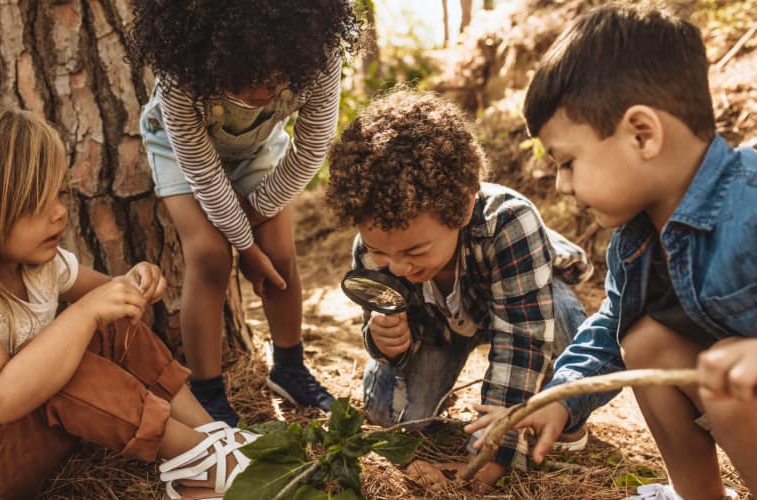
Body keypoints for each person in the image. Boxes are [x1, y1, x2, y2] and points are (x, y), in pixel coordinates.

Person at [467, 5, 756, 499]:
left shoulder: (748, 199)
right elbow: (608, 332)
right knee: (643, 342)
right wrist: (560, 399)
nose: (560, 184)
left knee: (728, 373)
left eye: (569, 162)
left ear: (641, 134)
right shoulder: (634, 240)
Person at [0, 96, 257, 500]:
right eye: (34, 205)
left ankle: (211, 436)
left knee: (107, 331)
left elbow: (110, 296)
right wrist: (84, 314)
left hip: (9, 448)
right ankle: (198, 458)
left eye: (58, 194)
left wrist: (133, 283)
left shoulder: (40, 265)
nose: (58, 214)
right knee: (61, 368)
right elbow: (0, 399)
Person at [324, 89, 593, 489]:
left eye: (415, 249)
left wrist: (495, 448)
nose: (398, 266)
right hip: (437, 328)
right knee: (388, 415)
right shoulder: (374, 247)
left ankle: (563, 410)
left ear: (464, 208)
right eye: (382, 252)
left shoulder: (510, 222)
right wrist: (387, 343)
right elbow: (377, 319)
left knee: (564, 321)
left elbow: (521, 338)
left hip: (518, 303)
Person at [127, 0, 361, 425]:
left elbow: (310, 151)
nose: (262, 96)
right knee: (210, 256)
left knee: (281, 254)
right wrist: (244, 249)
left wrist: (254, 228)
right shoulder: (181, 74)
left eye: (275, 84)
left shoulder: (319, 54)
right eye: (244, 83)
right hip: (180, 153)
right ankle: (208, 392)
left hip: (257, 148)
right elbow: (201, 170)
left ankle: (290, 369)